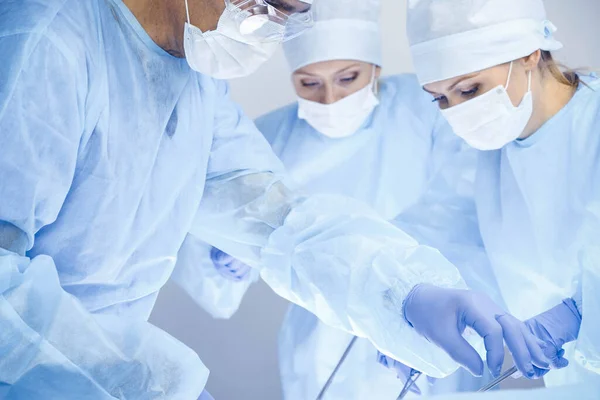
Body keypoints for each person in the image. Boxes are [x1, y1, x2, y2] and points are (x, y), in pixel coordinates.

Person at [0, 0, 557, 397]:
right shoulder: (46, 40)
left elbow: (280, 219)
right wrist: (146, 384)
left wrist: (404, 292)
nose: (266, 29)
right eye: (268, 7)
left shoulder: (195, 84)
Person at [238, 0, 492, 397]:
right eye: (309, 83)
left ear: (376, 66)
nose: (331, 99)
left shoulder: (425, 106)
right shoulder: (268, 136)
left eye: (347, 77)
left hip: (426, 312)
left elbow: (462, 208)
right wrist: (225, 256)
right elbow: (238, 230)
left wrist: (410, 284)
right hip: (321, 330)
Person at [400, 0, 600, 387]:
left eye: (469, 89)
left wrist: (581, 312)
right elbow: (451, 243)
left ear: (528, 53)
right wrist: (414, 316)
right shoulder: (484, 155)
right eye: (440, 98)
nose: (457, 111)